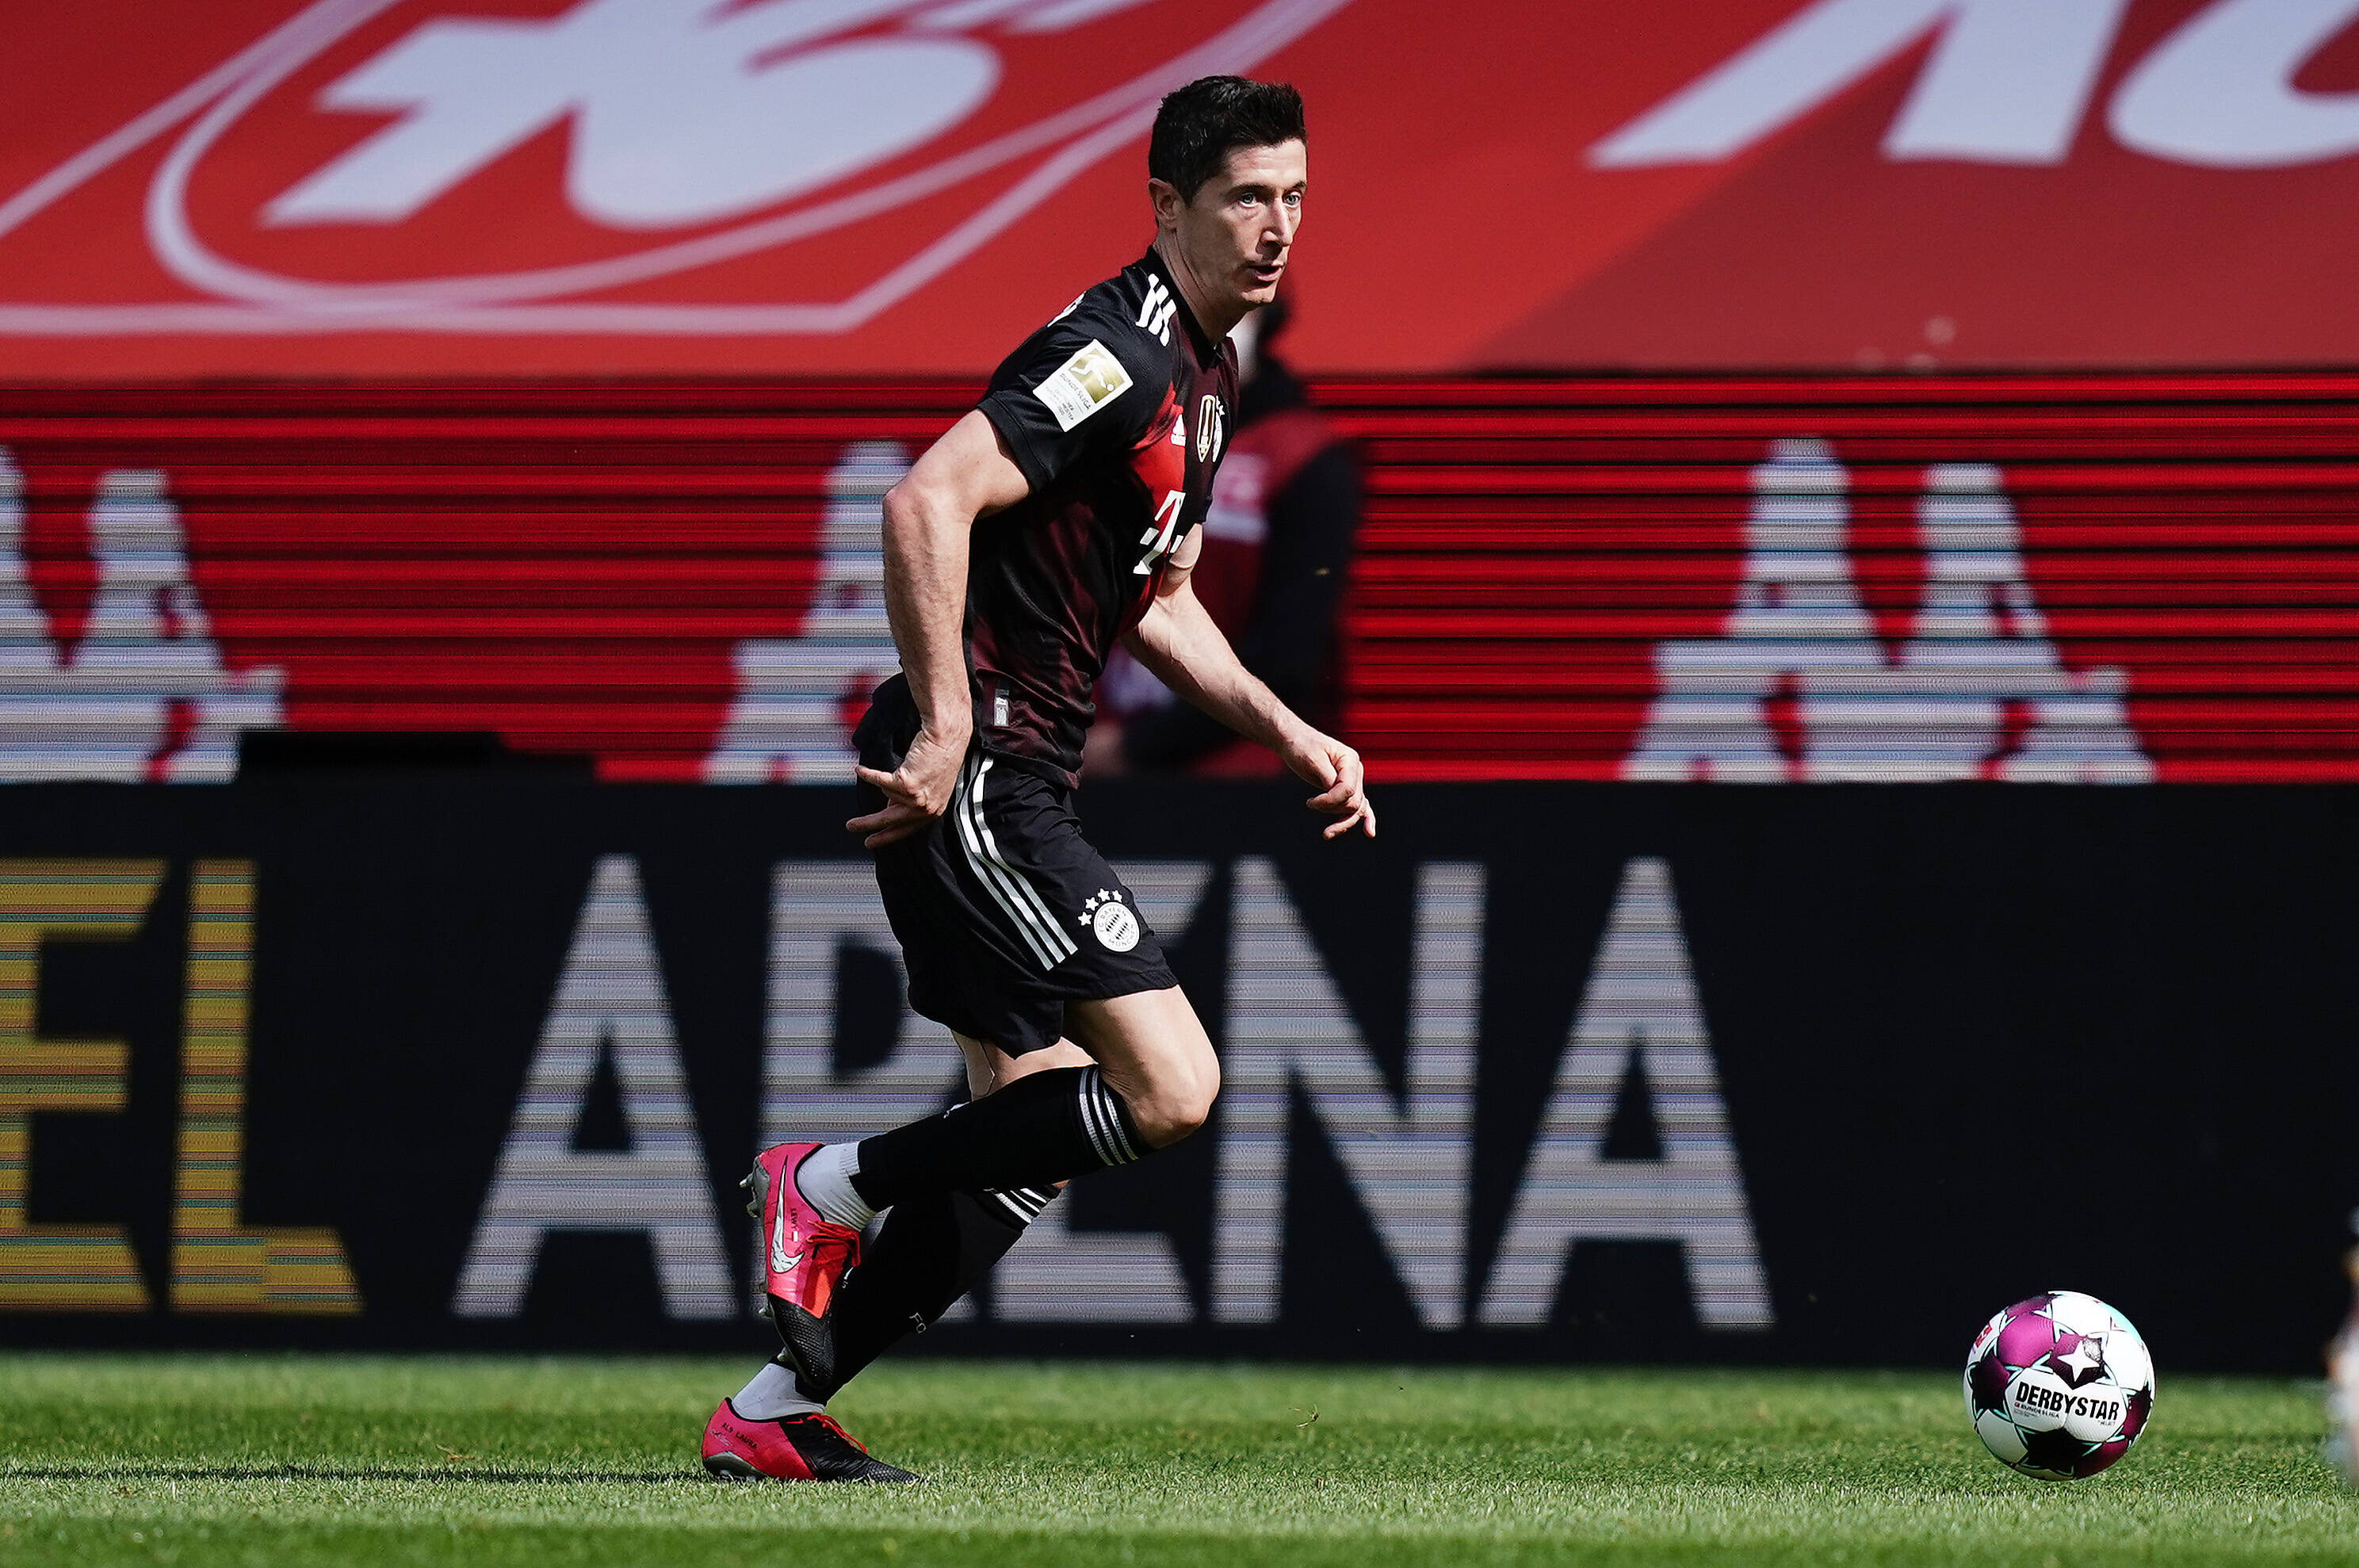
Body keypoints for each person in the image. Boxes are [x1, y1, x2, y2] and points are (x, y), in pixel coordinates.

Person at [698, 75, 1374, 1485]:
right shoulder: (1114, 353)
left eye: (1294, 196)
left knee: (1029, 1123)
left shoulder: (1209, 370)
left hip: (1005, 761)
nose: (1276, 226)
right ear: (1168, 206)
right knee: (1172, 1088)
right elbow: (924, 498)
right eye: (1247, 196)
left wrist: (1286, 727)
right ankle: (823, 1182)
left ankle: (769, 1410)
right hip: (982, 768)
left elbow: (1163, 599)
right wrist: (947, 721)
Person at [1092, 293, 1363, 775]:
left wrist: (1133, 750)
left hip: (1234, 781)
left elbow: (1290, 655)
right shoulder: (1116, 434)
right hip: (1087, 762)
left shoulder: (1303, 457)